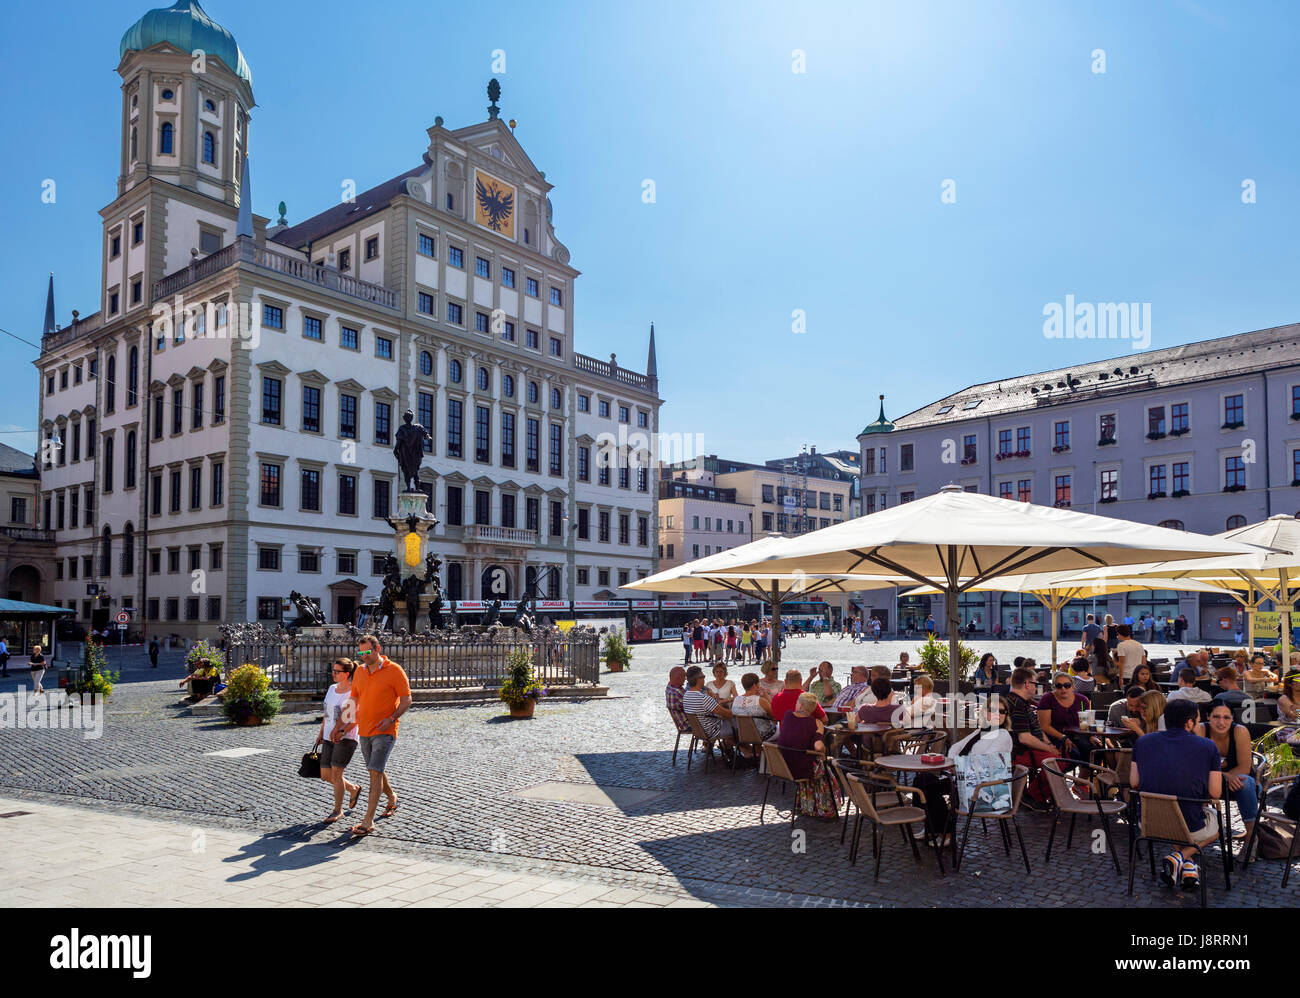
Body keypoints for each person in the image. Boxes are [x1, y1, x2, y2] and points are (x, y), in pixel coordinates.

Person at [1130, 698, 1222, 891]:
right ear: (1189, 723)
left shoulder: (1143, 741)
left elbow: (1134, 782)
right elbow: (1215, 792)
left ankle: (1187, 869)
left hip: (1149, 822)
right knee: (1217, 825)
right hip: (1191, 824)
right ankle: (1179, 857)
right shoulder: (1208, 746)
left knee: (1177, 820)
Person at [915, 698, 1013, 839]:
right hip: (964, 777)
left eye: (1002, 711)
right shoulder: (981, 731)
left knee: (930, 786)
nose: (998, 714)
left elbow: (985, 759)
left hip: (983, 786)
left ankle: (946, 832)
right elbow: (956, 747)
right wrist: (957, 764)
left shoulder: (1003, 735)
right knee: (922, 780)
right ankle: (932, 828)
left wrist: (960, 766)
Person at [348, 634, 412, 836]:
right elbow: (353, 699)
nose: (364, 656)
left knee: (374, 772)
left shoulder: (394, 670)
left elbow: (407, 700)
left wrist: (391, 718)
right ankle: (392, 797)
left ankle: (368, 821)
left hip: (385, 731)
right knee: (375, 769)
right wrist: (344, 725)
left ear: (378, 649)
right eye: (361, 653)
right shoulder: (359, 671)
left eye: (367, 652)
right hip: (364, 729)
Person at [1195, 703, 1257, 843]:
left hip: (1236, 782)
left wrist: (1226, 776)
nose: (1221, 722)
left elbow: (1244, 768)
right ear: (1208, 716)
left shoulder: (1240, 731)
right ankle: (1195, 831)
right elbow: (1196, 766)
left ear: (1232, 718)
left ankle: (1252, 836)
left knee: (1244, 782)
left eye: (1226, 717)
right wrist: (1223, 775)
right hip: (1207, 781)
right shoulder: (1200, 730)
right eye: (1216, 717)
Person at [777, 692, 841, 819]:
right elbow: (818, 747)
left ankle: (805, 804)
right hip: (801, 769)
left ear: (800, 705)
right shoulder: (815, 723)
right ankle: (823, 808)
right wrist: (822, 742)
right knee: (826, 769)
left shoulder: (788, 715)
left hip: (782, 765)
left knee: (812, 761)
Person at [316, 658, 364, 823]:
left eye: (337, 672)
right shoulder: (331, 688)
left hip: (346, 737)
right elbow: (327, 713)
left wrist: (342, 731)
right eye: (333, 671)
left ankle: (338, 810)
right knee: (325, 774)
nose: (333, 674)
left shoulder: (353, 692)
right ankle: (353, 788)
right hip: (329, 734)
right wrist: (321, 733)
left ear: (347, 674)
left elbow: (356, 719)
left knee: (337, 773)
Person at [1005, 666, 1059, 808]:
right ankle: (1031, 796)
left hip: (1028, 749)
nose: (1036, 688)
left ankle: (1042, 793)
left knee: (1066, 755)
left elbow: (1037, 729)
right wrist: (1049, 749)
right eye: (1035, 684)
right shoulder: (1017, 705)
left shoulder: (1021, 702)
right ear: (1027, 684)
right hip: (1019, 752)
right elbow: (1024, 738)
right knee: (1058, 762)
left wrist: (1048, 744)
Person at [682, 665, 736, 762]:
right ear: (699, 679)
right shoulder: (703, 698)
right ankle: (748, 753)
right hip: (713, 731)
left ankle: (730, 748)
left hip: (700, 730)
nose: (704, 679)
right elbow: (727, 714)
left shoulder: (686, 695)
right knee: (740, 725)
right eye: (703, 676)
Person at [1037, 672, 1091, 759]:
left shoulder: (1082, 700)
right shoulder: (1047, 699)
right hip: (1055, 737)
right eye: (1059, 686)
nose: (1063, 688)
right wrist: (1063, 737)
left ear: (1073, 686)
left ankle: (1087, 772)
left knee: (1095, 750)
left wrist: (1091, 736)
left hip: (1078, 736)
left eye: (1067, 685)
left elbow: (1087, 722)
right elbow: (1044, 726)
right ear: (1054, 687)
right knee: (1073, 753)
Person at [730, 672, 776, 747]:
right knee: (782, 731)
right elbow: (775, 715)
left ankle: (757, 752)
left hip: (743, 734)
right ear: (755, 685)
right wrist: (766, 696)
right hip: (762, 734)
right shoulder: (760, 701)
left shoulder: (736, 700)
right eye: (759, 684)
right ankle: (771, 755)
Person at [665, 666, 690, 734]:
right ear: (677, 678)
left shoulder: (669, 687)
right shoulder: (677, 692)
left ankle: (708, 743)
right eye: (684, 677)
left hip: (682, 723)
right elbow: (694, 707)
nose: (685, 679)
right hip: (688, 725)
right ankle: (710, 743)